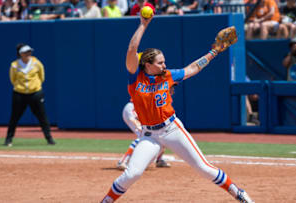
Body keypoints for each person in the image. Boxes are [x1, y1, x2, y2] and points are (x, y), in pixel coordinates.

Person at [100, 12, 254, 203]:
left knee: (203, 168)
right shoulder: (135, 78)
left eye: (164, 60)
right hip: (148, 135)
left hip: (171, 128)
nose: (165, 64)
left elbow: (192, 69)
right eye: (160, 62)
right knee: (132, 174)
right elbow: (132, 48)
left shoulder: (168, 75)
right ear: (148, 65)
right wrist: (143, 25)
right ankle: (106, 201)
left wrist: (214, 51)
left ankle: (238, 193)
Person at [4, 43, 56, 147]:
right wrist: (21, 88)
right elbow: (13, 79)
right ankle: (8, 139)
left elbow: (42, 77)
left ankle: (49, 138)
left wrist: (35, 87)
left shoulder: (36, 63)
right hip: (19, 94)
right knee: (14, 117)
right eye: (26, 52)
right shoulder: (14, 65)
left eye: (30, 51)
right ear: (21, 54)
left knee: (42, 116)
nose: (29, 53)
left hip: (35, 93)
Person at [117, 100, 171, 170]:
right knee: (142, 136)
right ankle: (123, 161)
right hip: (133, 107)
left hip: (140, 108)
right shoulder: (131, 106)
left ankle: (159, 159)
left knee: (162, 134)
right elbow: (132, 119)